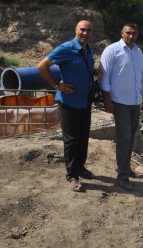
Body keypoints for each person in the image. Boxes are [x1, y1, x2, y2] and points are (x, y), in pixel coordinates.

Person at [37, 20, 96, 193]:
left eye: (89, 30)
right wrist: (56, 85)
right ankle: (72, 176)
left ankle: (80, 167)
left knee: (83, 136)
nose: (85, 33)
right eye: (82, 30)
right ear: (75, 30)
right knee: (71, 140)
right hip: (69, 102)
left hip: (85, 102)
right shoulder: (66, 48)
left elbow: (83, 69)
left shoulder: (88, 49)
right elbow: (42, 66)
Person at [99, 23, 143, 191]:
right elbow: (104, 78)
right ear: (122, 33)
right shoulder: (112, 50)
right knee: (124, 138)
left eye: (134, 33)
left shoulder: (138, 51)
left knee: (131, 135)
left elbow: (142, 77)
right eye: (128, 33)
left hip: (134, 102)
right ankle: (122, 176)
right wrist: (107, 101)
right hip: (119, 102)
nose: (131, 36)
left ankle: (125, 167)